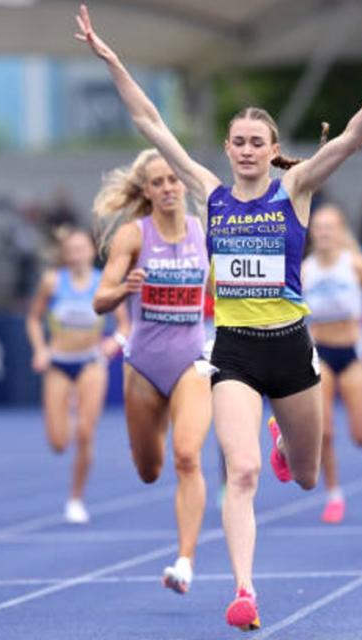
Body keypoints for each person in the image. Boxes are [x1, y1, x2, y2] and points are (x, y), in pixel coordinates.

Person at [75, 3, 362, 630]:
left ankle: (286, 441)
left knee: (309, 476)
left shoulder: (297, 191)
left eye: (257, 142)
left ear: (273, 150)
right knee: (242, 472)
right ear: (229, 148)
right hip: (232, 350)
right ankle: (243, 591)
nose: (245, 151)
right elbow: (151, 122)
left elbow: (352, 139)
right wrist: (115, 61)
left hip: (291, 349)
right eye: (237, 141)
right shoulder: (211, 194)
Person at [92, 148, 212, 596]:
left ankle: (185, 560)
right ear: (146, 190)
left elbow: (227, 289)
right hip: (143, 365)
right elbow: (99, 300)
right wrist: (125, 287)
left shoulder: (204, 232)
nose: (167, 188)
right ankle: (150, 450)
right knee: (149, 469)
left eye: (173, 180)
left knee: (187, 456)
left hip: (192, 361)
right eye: (157, 182)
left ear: (184, 182)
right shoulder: (133, 236)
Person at [26, 226, 127, 524]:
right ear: (65, 255)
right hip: (58, 363)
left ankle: (76, 498)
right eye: (71, 249)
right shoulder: (52, 282)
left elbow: (125, 325)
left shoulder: (103, 284)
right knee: (58, 443)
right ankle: (68, 409)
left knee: (85, 432)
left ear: (92, 251)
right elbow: (33, 319)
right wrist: (40, 350)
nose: (76, 254)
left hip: (90, 363)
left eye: (81, 248)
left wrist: (114, 343)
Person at [301, 205, 362, 524]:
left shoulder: (357, 265)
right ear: (313, 233)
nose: (324, 233)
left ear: (340, 231)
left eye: (329, 227)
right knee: (325, 431)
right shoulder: (306, 269)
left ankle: (337, 485)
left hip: (351, 352)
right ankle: (334, 493)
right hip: (319, 351)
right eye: (319, 227)